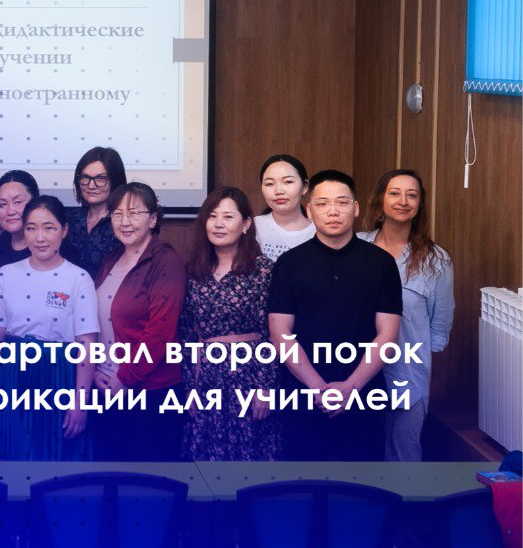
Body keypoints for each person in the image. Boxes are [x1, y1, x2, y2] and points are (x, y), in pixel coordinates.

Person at [267, 170, 402, 462]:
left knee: (361, 483)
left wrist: (350, 388)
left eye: (342, 203)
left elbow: (388, 334)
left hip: (364, 393)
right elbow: (280, 333)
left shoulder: (381, 263)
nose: (333, 211)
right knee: (302, 481)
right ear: (309, 210)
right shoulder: (289, 264)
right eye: (323, 203)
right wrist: (318, 388)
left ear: (355, 209)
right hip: (301, 393)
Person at [0, 195, 98, 461]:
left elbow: (87, 344)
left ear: (64, 230)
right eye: (31, 228)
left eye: (49, 228)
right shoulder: (6, 274)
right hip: (11, 376)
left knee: (54, 455)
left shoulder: (79, 278)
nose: (40, 237)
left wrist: (80, 402)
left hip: (59, 377)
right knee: (12, 454)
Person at [359, 169, 454, 461]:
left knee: (403, 455)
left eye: (411, 195)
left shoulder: (435, 260)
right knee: (359, 451)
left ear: (420, 204)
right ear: (380, 199)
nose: (403, 201)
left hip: (407, 372)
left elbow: (439, 326)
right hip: (353, 368)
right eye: (394, 193)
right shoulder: (355, 247)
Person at [179, 187, 280, 461]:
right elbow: (186, 336)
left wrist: (265, 387)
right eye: (212, 216)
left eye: (227, 217)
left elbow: (271, 334)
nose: (218, 224)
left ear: (245, 224)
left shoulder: (263, 270)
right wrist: (189, 388)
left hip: (249, 375)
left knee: (249, 458)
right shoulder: (193, 271)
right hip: (206, 378)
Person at [92, 182, 187, 461]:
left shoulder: (165, 260)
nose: (125, 222)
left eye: (134, 213)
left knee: (148, 479)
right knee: (109, 475)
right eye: (117, 214)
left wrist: (124, 379)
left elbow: (161, 331)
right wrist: (96, 370)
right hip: (106, 386)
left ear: (153, 219)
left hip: (149, 392)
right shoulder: (111, 259)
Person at [66, 146, 128, 273]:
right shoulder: (70, 219)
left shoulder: (126, 223)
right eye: (85, 177)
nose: (91, 185)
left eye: (100, 178)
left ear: (115, 180)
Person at [253, 154, 316, 261]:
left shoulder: (319, 231)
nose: (278, 191)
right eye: (269, 184)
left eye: (288, 182)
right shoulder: (251, 227)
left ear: (304, 187)